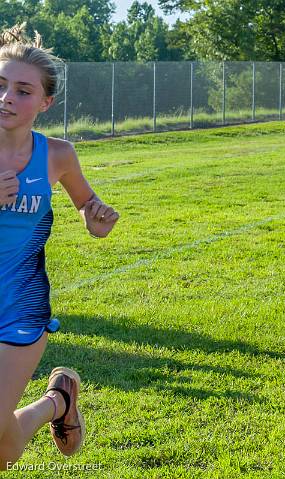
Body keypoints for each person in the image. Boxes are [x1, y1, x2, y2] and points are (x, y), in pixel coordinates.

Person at [0, 23, 119, 468]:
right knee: (5, 450)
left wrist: (97, 218)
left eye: (22, 90)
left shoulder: (57, 154)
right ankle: (57, 403)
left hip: (20, 307)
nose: (7, 97)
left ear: (45, 103)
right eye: (0, 85)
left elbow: (89, 207)